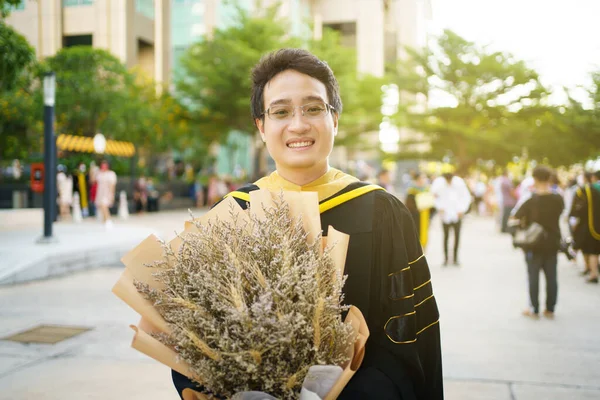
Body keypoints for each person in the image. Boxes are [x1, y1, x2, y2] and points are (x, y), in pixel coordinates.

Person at [171, 49, 443, 400]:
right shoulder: (232, 214)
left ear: (335, 119)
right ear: (261, 126)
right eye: (281, 112)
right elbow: (191, 339)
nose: (298, 124)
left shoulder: (382, 212)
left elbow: (409, 338)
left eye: (314, 108)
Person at [513, 166, 564, 318]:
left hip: (534, 243)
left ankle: (534, 309)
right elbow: (561, 213)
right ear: (549, 179)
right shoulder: (558, 199)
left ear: (534, 179)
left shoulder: (531, 200)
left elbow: (516, 216)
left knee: (533, 276)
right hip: (553, 241)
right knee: (551, 276)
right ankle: (550, 309)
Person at [431, 172, 471, 266]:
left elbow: (466, 197)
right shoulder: (439, 184)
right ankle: (445, 258)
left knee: (457, 237)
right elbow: (434, 196)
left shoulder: (459, 183)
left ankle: (455, 258)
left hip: (457, 213)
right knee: (446, 237)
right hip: (445, 214)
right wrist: (439, 207)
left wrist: (462, 210)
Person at [570, 170, 600, 283]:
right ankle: (592, 269)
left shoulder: (584, 190)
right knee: (594, 249)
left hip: (587, 225)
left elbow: (577, 210)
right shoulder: (595, 189)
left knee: (590, 249)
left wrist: (573, 223)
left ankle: (593, 273)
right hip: (596, 224)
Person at [405, 173, 433, 250]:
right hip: (415, 217)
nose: (422, 181)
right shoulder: (411, 191)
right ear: (416, 180)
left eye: (424, 179)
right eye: (421, 179)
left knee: (424, 235)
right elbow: (408, 205)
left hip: (425, 216)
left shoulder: (427, 190)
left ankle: (423, 252)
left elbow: (432, 207)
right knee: (415, 235)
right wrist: (417, 209)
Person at [95, 160, 117, 229]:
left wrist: (112, 194)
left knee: (104, 205)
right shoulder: (99, 173)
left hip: (107, 193)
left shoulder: (111, 174)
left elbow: (112, 185)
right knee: (102, 207)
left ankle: (109, 220)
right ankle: (105, 221)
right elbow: (93, 181)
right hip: (100, 192)